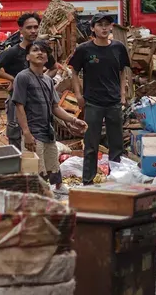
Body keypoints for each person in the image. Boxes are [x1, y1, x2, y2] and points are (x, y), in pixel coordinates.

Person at [11, 41, 85, 190]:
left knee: (52, 165)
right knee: (34, 170)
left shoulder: (47, 81)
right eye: (35, 50)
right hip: (33, 132)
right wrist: (26, 133)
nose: (40, 53)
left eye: (43, 51)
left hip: (47, 131)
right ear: (27, 57)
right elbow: (19, 106)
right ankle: (38, 198)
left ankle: (58, 190)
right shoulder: (23, 77)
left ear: (47, 58)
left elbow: (55, 107)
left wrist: (74, 120)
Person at [69, 14, 131, 185]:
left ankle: (115, 179)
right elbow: (74, 71)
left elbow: (122, 72)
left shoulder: (118, 48)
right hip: (93, 103)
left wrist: (123, 95)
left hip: (114, 103)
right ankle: (87, 182)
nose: (104, 28)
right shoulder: (84, 49)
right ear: (92, 28)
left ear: (111, 27)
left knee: (116, 145)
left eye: (107, 25)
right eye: (100, 25)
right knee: (91, 145)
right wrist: (78, 95)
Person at [0, 12, 49, 147]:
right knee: (16, 135)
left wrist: (43, 81)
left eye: (36, 27)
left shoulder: (41, 50)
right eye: (29, 28)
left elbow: (54, 67)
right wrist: (13, 79)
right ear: (20, 30)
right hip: (16, 101)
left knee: (38, 136)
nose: (33, 31)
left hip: (37, 102)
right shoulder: (13, 52)